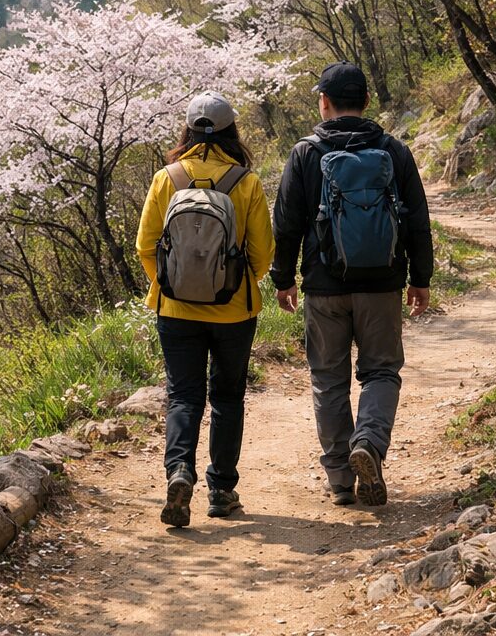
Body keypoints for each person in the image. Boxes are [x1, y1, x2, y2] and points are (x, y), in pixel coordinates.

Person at [271, 62, 434, 507]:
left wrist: (283, 278)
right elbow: (418, 221)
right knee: (381, 371)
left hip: (324, 287)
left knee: (328, 380)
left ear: (324, 101)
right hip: (382, 283)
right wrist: (420, 279)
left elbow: (285, 224)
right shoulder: (394, 150)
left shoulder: (305, 153)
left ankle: (342, 480)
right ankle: (370, 444)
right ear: (365, 101)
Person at [136, 92, 275, 528]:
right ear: (232, 130)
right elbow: (263, 253)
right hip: (234, 311)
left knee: (183, 395)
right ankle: (221, 489)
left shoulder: (167, 178)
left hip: (175, 310)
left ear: (187, 131)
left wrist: (171, 285)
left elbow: (145, 246)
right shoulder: (245, 182)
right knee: (228, 396)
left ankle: (179, 471)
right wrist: (237, 283)